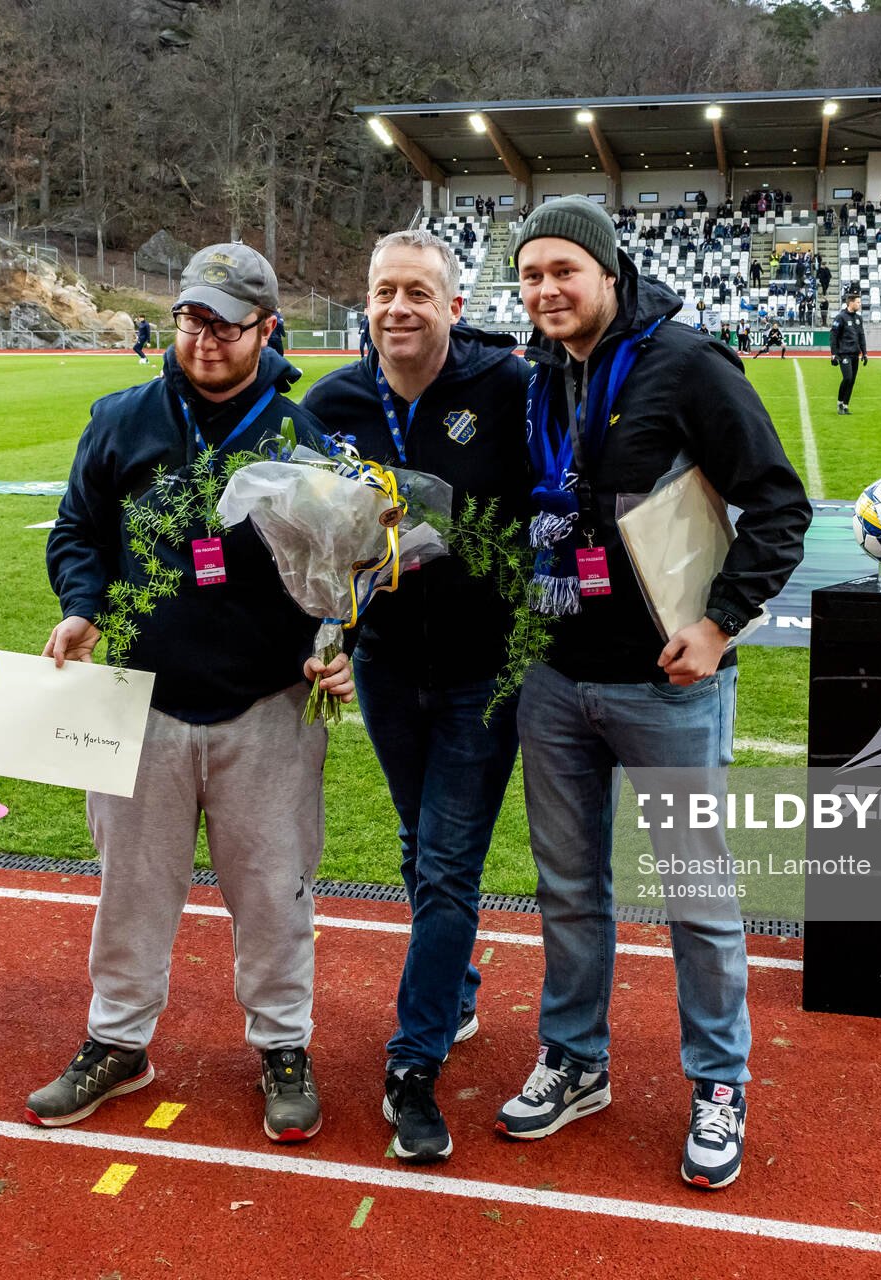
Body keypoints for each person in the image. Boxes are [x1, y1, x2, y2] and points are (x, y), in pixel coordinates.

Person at [501, 197, 810, 1191]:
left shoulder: (685, 362)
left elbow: (777, 502)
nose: (546, 289)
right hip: (555, 682)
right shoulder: (535, 372)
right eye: (530, 274)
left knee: (698, 898)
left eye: (563, 270)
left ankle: (718, 1079)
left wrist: (719, 621)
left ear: (607, 269)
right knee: (568, 888)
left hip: (668, 686)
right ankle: (575, 1059)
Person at [29, 243, 351, 1143]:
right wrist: (82, 604)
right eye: (191, 319)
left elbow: (340, 567)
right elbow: (76, 531)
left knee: (274, 890)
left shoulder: (303, 435)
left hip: (268, 704)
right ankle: (117, 1043)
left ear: (267, 329)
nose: (204, 338)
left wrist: (339, 637)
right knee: (131, 890)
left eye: (225, 323)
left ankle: (283, 1045)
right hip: (138, 696)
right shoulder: (122, 418)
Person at [301, 229, 530, 1165]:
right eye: (384, 291)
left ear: (453, 308)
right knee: (415, 843)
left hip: (483, 672)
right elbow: (318, 543)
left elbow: (548, 510)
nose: (399, 308)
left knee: (443, 865)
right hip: (391, 669)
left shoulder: (506, 390)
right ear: (367, 301)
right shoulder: (333, 403)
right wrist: (334, 635)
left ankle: (412, 1064)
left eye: (418, 294)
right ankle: (460, 986)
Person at [830, 292, 868, 415]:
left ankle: (846, 405)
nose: (859, 304)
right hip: (844, 354)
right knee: (847, 378)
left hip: (855, 354)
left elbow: (861, 336)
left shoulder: (858, 318)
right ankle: (840, 403)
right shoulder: (840, 317)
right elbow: (833, 336)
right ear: (851, 303)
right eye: (858, 302)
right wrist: (833, 354)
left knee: (852, 381)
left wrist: (865, 353)